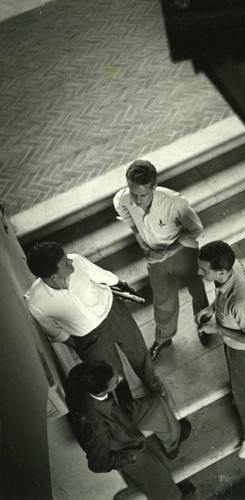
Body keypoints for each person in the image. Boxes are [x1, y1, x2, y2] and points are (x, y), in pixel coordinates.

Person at [25, 241, 163, 400]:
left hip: (113, 312)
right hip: (88, 337)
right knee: (110, 373)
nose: (70, 260)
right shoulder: (36, 301)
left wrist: (123, 285)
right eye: (65, 262)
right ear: (52, 276)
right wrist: (78, 344)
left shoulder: (76, 261)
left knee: (138, 350)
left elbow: (103, 276)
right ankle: (126, 401)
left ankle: (152, 382)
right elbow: (53, 330)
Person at [113, 159, 209, 361]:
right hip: (154, 257)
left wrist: (168, 252)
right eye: (133, 194)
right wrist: (139, 237)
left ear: (154, 187)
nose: (137, 201)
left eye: (143, 195)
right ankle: (164, 338)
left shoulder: (175, 202)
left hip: (182, 252)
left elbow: (196, 229)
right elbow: (126, 214)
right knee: (162, 299)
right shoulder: (122, 199)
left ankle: (205, 325)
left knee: (196, 289)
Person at [65, 360, 195, 500]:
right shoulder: (94, 428)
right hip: (119, 442)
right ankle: (173, 497)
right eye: (115, 381)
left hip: (118, 415)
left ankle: (173, 445)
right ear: (103, 389)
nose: (120, 377)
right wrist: (129, 458)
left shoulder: (79, 373)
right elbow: (99, 464)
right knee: (156, 474)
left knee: (155, 403)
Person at [195, 241, 245, 460]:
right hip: (240, 339)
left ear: (221, 271)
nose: (198, 272)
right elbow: (222, 292)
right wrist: (211, 308)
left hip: (242, 348)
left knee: (244, 392)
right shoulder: (232, 268)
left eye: (203, 270)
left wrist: (217, 328)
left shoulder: (240, 302)